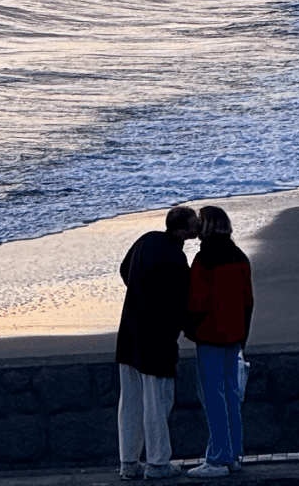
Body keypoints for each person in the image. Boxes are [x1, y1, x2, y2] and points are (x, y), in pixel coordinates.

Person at [116, 205, 199, 479]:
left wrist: (139, 291)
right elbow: (183, 303)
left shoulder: (147, 240)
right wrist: (192, 330)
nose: (198, 227)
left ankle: (128, 462)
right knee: (157, 402)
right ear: (183, 230)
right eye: (194, 224)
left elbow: (124, 269)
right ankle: (158, 463)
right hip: (157, 339)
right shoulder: (176, 258)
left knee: (130, 402)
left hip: (129, 332)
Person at [184, 205, 254, 478]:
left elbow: (196, 301)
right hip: (235, 334)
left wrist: (189, 328)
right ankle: (234, 453)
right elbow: (248, 300)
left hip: (210, 335)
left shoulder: (205, 260)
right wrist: (243, 335)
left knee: (214, 397)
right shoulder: (239, 256)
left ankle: (218, 458)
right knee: (231, 395)